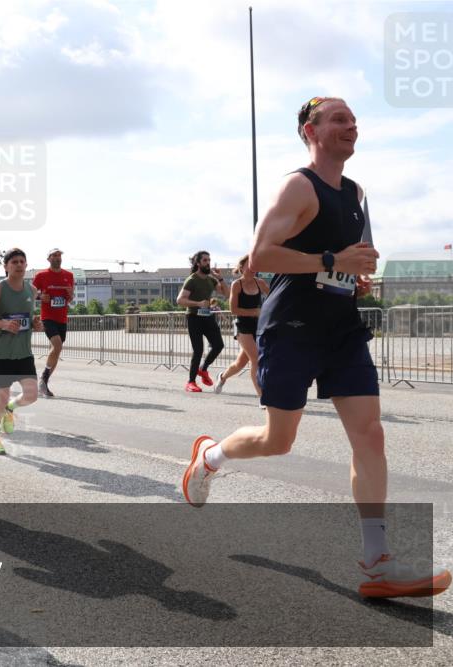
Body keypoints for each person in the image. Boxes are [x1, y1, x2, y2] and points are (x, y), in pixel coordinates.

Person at [182, 96, 450, 599]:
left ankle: (377, 563)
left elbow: (345, 260)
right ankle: (210, 456)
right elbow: (261, 256)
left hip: (342, 328)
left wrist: (352, 274)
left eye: (353, 118)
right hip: (293, 326)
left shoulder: (355, 192)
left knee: (370, 435)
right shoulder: (298, 186)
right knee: (278, 441)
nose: (351, 125)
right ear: (310, 130)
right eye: (338, 119)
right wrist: (332, 258)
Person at [0, 248, 43, 455]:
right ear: (6, 266)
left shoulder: (31, 290)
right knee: (1, 398)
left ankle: (11, 409)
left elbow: (27, 318)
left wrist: (34, 323)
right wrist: (3, 324)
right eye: (14, 261)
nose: (19, 264)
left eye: (22, 261)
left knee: (31, 395)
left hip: (23, 352)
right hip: (2, 353)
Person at [214, 255, 270, 397]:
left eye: (254, 265)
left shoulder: (260, 283)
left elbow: (274, 299)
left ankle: (222, 377)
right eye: (249, 265)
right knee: (256, 359)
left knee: (240, 363)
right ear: (241, 267)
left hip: (257, 326)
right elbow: (233, 310)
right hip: (242, 326)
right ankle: (262, 397)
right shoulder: (237, 285)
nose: (252, 268)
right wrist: (254, 311)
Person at [176, 251, 229, 392]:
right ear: (198, 263)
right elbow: (180, 300)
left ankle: (203, 368)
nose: (208, 262)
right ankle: (191, 382)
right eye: (205, 260)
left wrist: (220, 278)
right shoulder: (192, 280)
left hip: (208, 316)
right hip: (194, 318)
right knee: (198, 350)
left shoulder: (211, 280)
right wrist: (198, 303)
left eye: (209, 260)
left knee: (218, 345)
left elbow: (227, 294)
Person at [31, 248, 74, 397]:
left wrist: (70, 294)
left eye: (59, 255)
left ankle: (44, 383)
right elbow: (31, 293)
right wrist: (40, 297)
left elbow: (71, 298)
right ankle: (43, 378)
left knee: (57, 350)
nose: (58, 258)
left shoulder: (69, 275)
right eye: (55, 256)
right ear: (48, 259)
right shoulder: (41, 275)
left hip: (62, 317)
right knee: (57, 345)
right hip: (48, 316)